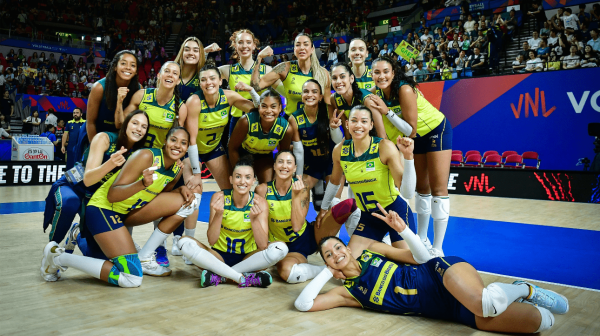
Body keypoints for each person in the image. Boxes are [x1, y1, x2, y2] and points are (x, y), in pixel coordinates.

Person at [294, 205, 567, 334]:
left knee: (485, 302)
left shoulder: (372, 251)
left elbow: (422, 257)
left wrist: (404, 231)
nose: (336, 254)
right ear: (328, 265)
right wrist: (327, 272)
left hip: (439, 273)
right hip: (448, 310)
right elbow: (303, 304)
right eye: (329, 256)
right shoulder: (348, 294)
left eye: (338, 248)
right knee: (542, 322)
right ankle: (517, 295)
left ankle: (524, 288)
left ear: (348, 248)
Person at [40, 127, 200, 285]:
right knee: (132, 278)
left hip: (125, 215)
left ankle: (145, 255)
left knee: (188, 202)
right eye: (173, 140)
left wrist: (181, 188)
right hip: (102, 210)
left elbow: (160, 196)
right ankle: (56, 257)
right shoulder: (146, 156)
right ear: (165, 141)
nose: (178, 145)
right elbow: (113, 195)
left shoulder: (176, 170)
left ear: (188, 148)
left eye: (183, 143)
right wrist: (142, 183)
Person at [367, 56, 452, 256]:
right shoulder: (374, 94)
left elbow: (411, 130)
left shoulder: (404, 89)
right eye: (376, 72)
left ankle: (438, 248)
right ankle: (422, 238)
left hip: (434, 131)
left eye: (385, 71)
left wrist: (387, 112)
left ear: (393, 73)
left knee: (438, 188)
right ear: (371, 75)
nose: (381, 76)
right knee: (421, 189)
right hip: (412, 139)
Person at [315, 105, 417, 258]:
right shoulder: (339, 150)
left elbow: (407, 193)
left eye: (364, 121)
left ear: (371, 125)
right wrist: (323, 208)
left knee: (408, 262)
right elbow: (335, 181)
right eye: (354, 121)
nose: (358, 125)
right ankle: (383, 246)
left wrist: (409, 158)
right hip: (369, 216)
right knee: (348, 267)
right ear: (347, 124)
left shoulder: (385, 147)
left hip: (395, 212)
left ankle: (384, 248)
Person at [42, 110, 150, 252]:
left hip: (95, 197)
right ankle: (51, 250)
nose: (138, 129)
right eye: (135, 123)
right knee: (69, 202)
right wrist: (111, 163)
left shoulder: (139, 153)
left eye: (143, 126)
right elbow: (88, 180)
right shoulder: (104, 138)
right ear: (125, 124)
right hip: (74, 184)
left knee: (99, 256)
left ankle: (77, 234)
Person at [175, 157, 288, 288]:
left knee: (280, 248)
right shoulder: (219, 197)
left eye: (247, 177)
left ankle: (220, 276)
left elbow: (262, 245)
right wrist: (219, 215)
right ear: (231, 179)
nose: (242, 181)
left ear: (253, 181)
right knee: (183, 243)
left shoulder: (259, 202)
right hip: (219, 257)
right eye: (238, 177)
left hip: (248, 259)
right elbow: (212, 240)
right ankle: (242, 278)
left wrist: (254, 220)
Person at [255, 151, 345, 283]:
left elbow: (297, 226)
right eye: (280, 162)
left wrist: (296, 196)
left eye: (289, 162)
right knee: (270, 267)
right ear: (274, 166)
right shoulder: (262, 190)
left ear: (295, 168)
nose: (284, 166)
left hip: (301, 241)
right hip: (276, 242)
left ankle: (327, 269)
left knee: (286, 272)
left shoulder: (303, 188)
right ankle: (324, 269)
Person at [251, 33, 331, 116]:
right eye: (298, 45)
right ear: (294, 49)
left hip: (314, 125)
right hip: (290, 124)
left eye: (306, 44)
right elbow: (255, 86)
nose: (302, 48)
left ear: (312, 49)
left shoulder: (323, 73)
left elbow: (327, 105)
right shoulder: (284, 68)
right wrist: (259, 57)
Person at [218, 30, 276, 138]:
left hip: (261, 118)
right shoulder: (227, 70)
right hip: (237, 120)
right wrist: (205, 52)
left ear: (254, 46)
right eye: (240, 42)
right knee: (235, 152)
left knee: (262, 153)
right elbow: (203, 75)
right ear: (235, 45)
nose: (245, 46)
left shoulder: (267, 70)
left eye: (248, 42)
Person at [228, 89, 293, 183]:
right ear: (258, 107)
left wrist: (276, 179)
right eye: (264, 106)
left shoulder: (286, 129)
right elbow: (232, 148)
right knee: (239, 184)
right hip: (243, 154)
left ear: (280, 108)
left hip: (264, 157)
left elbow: (282, 155)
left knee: (267, 188)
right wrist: (238, 171)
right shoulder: (246, 122)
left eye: (273, 107)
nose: (268, 111)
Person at [124, 62, 187, 149]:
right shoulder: (141, 95)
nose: (170, 75)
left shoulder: (181, 108)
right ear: (159, 75)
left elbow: (176, 140)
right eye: (167, 71)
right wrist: (119, 103)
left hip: (157, 156)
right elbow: (121, 124)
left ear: (178, 81)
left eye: (175, 73)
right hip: (133, 149)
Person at [87, 50, 140, 141]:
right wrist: (94, 147)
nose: (128, 67)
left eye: (133, 65)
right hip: (97, 135)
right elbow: (91, 123)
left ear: (136, 71)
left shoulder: (138, 89)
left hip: (121, 138)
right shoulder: (99, 88)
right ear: (115, 67)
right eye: (123, 63)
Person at [330, 63, 386, 139]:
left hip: (379, 138)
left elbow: (382, 135)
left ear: (351, 78)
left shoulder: (367, 100)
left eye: (342, 76)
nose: (338, 81)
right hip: (359, 140)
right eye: (334, 78)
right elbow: (347, 131)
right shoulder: (334, 98)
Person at [173, 36, 221, 102]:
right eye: (187, 50)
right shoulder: (171, 73)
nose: (191, 53)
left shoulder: (204, 76)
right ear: (181, 53)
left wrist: (204, 51)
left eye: (195, 50)